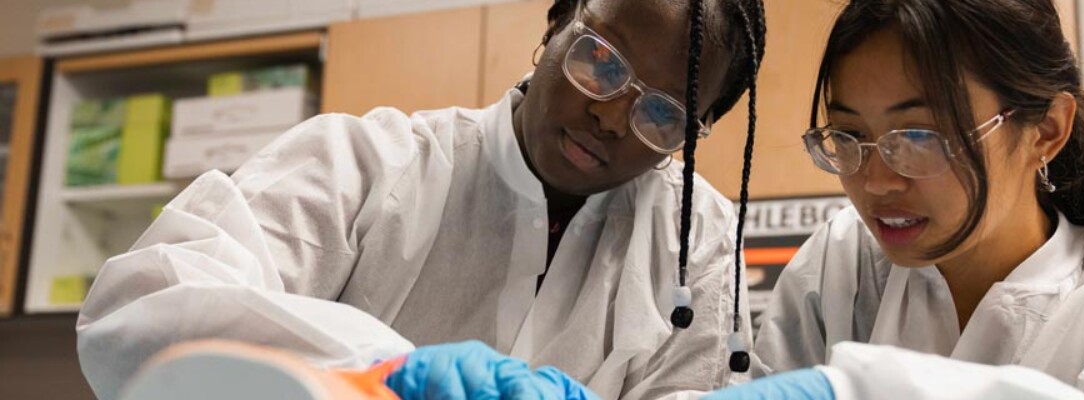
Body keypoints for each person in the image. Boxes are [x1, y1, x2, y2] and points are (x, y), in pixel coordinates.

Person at [76, 0, 767, 399]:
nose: (612, 118)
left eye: (663, 115)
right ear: (556, 22)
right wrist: (383, 368)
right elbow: (140, 307)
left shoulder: (697, 250)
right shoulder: (368, 163)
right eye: (601, 61)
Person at [707, 0, 1084, 398]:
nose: (875, 182)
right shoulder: (845, 262)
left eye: (920, 138)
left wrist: (862, 387)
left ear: (1047, 131)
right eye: (849, 137)